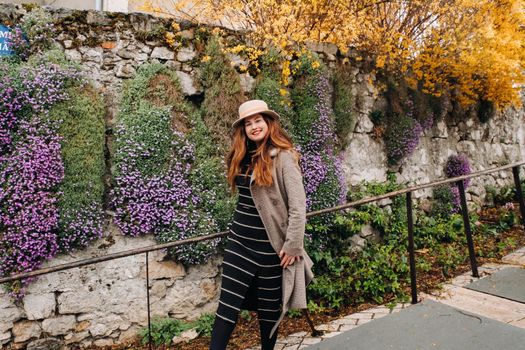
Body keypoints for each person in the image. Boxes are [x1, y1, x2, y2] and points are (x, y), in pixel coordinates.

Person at [209, 100, 314, 350]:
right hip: (239, 245)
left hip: (271, 249)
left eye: (258, 120)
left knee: (268, 312)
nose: (254, 126)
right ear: (243, 129)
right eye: (248, 123)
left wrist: (292, 246)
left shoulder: (284, 157)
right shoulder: (241, 156)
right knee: (227, 308)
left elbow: (298, 207)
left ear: (268, 123)